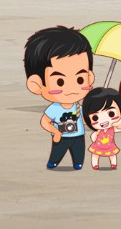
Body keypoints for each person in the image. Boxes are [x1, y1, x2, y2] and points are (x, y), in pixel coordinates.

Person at [23, 25, 94, 171]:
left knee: (78, 152)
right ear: (36, 84)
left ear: (89, 77)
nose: (73, 89)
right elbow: (45, 121)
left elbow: (86, 120)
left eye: (80, 80)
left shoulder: (79, 107)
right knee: (58, 151)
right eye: (60, 82)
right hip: (61, 136)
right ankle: (54, 162)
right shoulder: (54, 108)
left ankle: (78, 163)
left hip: (78, 136)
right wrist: (55, 131)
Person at [84, 87, 121, 170]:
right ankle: (95, 164)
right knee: (95, 154)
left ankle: (113, 164)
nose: (103, 121)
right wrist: (94, 137)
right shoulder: (98, 130)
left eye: (111, 113)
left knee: (112, 155)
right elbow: (94, 136)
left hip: (110, 145)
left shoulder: (112, 128)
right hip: (98, 145)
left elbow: (119, 129)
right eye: (95, 117)